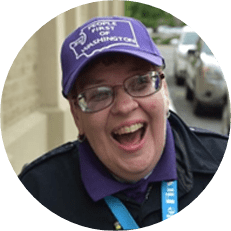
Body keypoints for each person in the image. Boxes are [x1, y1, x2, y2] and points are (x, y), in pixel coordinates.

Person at [18, 16, 228, 230]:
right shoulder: (37, 195)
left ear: (164, 92)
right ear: (76, 115)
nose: (125, 107)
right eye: (98, 94)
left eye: (140, 82)